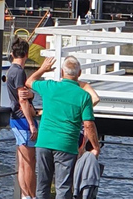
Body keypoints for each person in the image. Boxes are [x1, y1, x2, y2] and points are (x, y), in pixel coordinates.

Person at [26, 56, 100, 199]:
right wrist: (95, 146)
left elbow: (29, 82)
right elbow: (88, 124)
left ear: (61, 72)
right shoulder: (84, 96)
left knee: (42, 186)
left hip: (44, 142)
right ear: (79, 73)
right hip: (66, 145)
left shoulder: (50, 86)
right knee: (63, 188)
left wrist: (43, 68)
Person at [7, 38, 38, 199]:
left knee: (23, 163)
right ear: (26, 54)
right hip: (22, 120)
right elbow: (22, 99)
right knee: (29, 163)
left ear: (13, 53)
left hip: (15, 119)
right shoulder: (19, 72)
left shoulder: (10, 70)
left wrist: (31, 94)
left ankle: (26, 195)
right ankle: (30, 196)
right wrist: (31, 124)